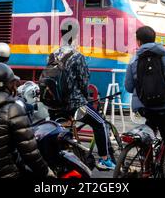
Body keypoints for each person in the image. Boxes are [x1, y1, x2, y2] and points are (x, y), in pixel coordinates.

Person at [42, 27, 116, 170]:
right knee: (100, 123)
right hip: (74, 104)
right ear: (75, 38)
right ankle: (104, 159)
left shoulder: (53, 54)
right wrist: (84, 96)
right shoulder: (77, 56)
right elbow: (84, 82)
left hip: (53, 104)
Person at [125, 26, 165, 178]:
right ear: (154, 39)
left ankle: (147, 169)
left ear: (138, 41)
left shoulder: (134, 59)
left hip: (146, 108)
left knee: (147, 137)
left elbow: (129, 87)